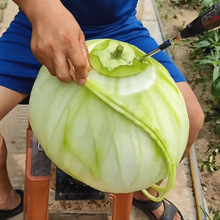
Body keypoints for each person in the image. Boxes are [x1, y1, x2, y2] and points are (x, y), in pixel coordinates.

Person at [0, 0, 204, 219]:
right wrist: (41, 9)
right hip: (41, 24)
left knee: (192, 118)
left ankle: (145, 192)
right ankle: (4, 198)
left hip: (119, 30)